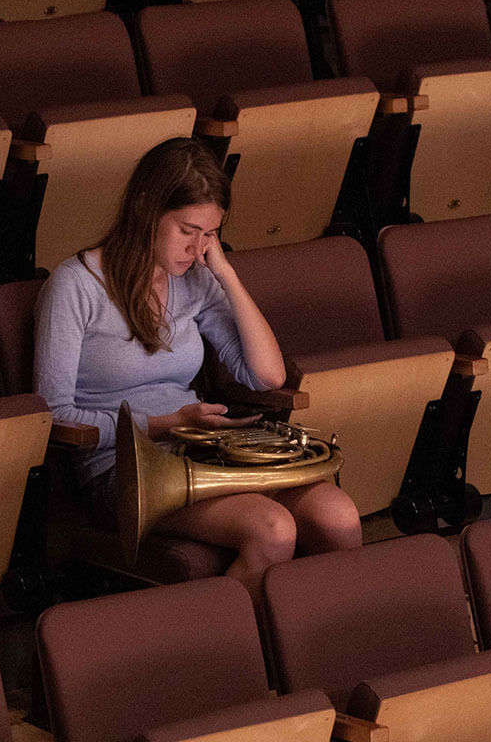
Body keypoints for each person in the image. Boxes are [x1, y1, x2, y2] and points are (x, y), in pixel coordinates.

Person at [34, 137, 362, 596]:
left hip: (202, 453)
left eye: (210, 234)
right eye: (188, 230)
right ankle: (225, 656)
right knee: (273, 530)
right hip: (126, 471)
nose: (198, 247)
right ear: (147, 208)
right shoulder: (74, 286)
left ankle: (313, 645)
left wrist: (225, 273)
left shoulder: (195, 277)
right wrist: (169, 422)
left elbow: (267, 376)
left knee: (339, 517)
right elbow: (56, 418)